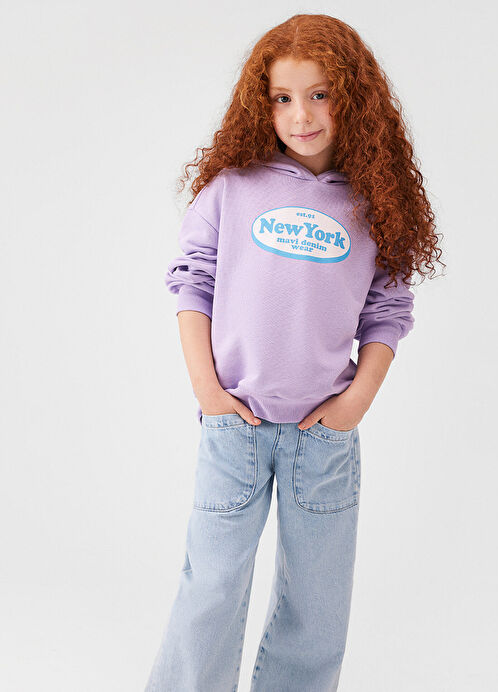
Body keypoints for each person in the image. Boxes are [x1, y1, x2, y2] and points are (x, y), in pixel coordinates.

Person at [144, 13, 443, 692]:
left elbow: (388, 312)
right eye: (282, 98)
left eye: (319, 95)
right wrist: (208, 392)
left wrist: (355, 402)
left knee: (317, 604)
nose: (299, 115)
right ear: (262, 103)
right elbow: (192, 283)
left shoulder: (374, 204)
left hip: (322, 439)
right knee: (211, 588)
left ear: (352, 99)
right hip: (234, 427)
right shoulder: (232, 189)